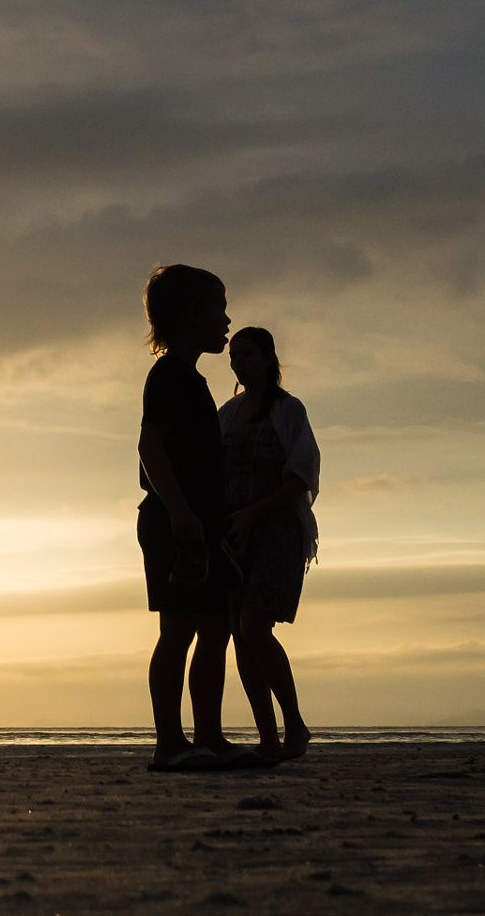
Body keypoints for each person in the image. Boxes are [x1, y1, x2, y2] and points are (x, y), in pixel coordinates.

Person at [136, 264, 238, 771]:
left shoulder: (193, 380)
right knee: (178, 631)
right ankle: (169, 742)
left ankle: (210, 738)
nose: (226, 318)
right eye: (219, 306)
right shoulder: (170, 375)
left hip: (203, 524)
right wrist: (179, 512)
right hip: (174, 522)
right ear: (192, 312)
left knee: (216, 628)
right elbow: (149, 448)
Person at [218, 326, 318, 762]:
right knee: (241, 633)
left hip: (277, 530)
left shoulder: (289, 410)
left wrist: (254, 513)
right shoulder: (227, 413)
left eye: (246, 354)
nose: (238, 361)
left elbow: (302, 476)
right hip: (234, 534)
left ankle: (293, 724)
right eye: (232, 356)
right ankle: (268, 738)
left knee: (256, 625)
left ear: (267, 357)